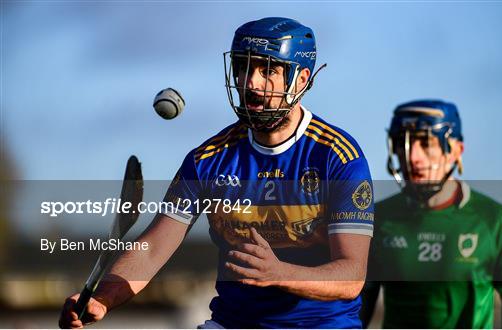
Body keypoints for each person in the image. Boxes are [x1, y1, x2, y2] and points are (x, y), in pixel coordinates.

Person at [59, 17, 374, 328]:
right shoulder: (207, 160)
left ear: (301, 79)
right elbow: (153, 248)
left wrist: (278, 273)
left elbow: (351, 276)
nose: (251, 82)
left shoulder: (338, 157)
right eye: (244, 67)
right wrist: (105, 297)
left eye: (268, 70)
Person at [360, 99, 502, 328]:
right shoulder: (377, 218)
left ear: (456, 151)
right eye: (403, 143)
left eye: (425, 143)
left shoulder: (495, 220)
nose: (413, 157)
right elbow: (357, 311)